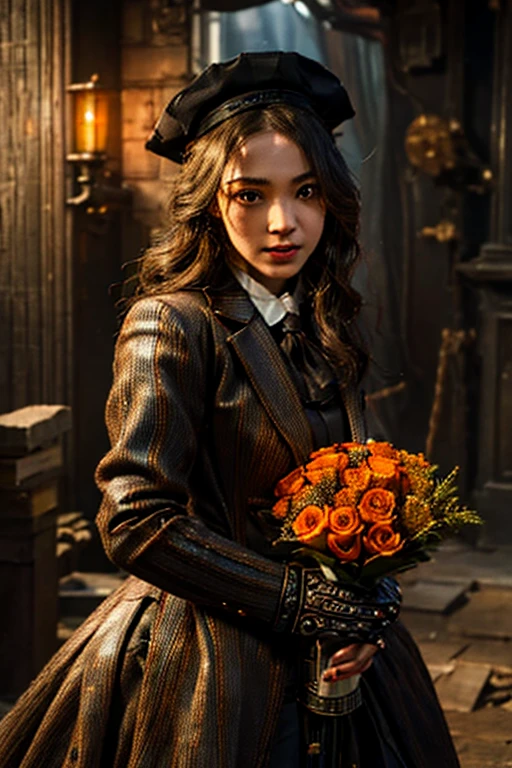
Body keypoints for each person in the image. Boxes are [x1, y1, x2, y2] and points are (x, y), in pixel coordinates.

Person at [0, 51, 459, 768]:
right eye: (251, 194)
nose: (284, 221)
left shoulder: (325, 318)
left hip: (340, 665)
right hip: (209, 663)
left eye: (305, 190)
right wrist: (304, 605)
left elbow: (364, 488)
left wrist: (371, 601)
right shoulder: (171, 323)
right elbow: (136, 521)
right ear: (214, 200)